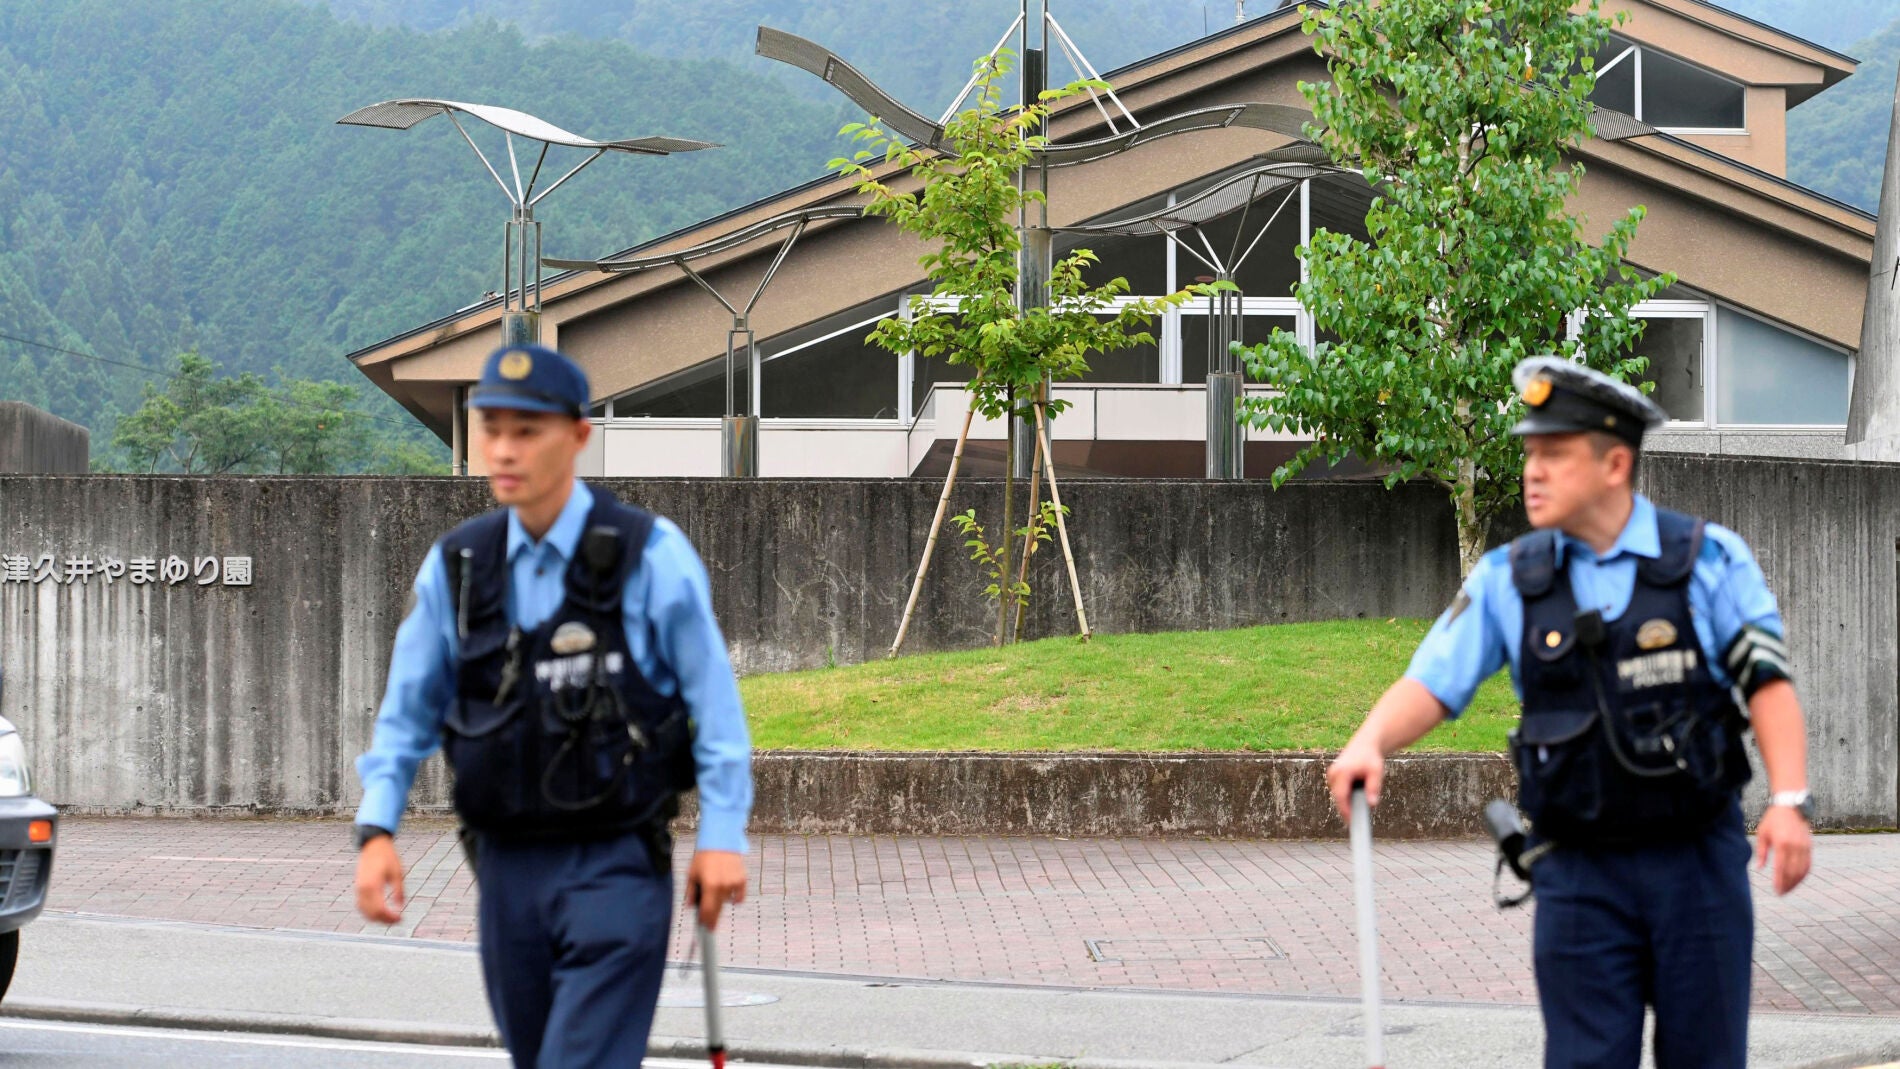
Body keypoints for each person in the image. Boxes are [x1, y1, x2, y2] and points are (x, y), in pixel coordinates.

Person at [1326, 356, 1813, 1069]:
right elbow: (1433, 680)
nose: (1533, 470)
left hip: (1697, 867)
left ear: (1615, 463)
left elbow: (1767, 682)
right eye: (1529, 453)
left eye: (1554, 454)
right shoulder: (1510, 579)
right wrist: (1371, 740)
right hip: (1579, 873)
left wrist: (1791, 800)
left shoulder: (1709, 560)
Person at [351, 342, 752, 1068]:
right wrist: (377, 827)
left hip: (617, 862)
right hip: (505, 868)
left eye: (526, 430)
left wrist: (722, 833)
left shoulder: (649, 555)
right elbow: (408, 709)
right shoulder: (459, 568)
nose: (503, 448)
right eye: (490, 426)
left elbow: (715, 706)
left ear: (577, 436)